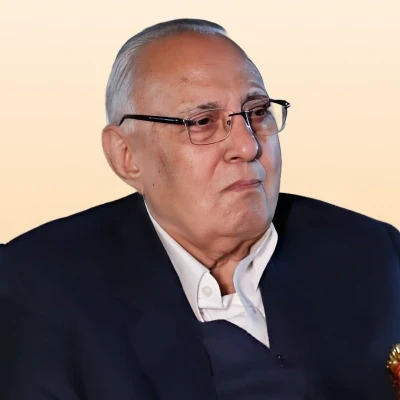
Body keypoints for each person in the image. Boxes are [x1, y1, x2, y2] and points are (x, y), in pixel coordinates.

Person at [0, 18, 399, 400]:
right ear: (126, 155)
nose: (247, 146)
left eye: (258, 112)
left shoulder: (372, 251)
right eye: (203, 122)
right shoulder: (37, 288)